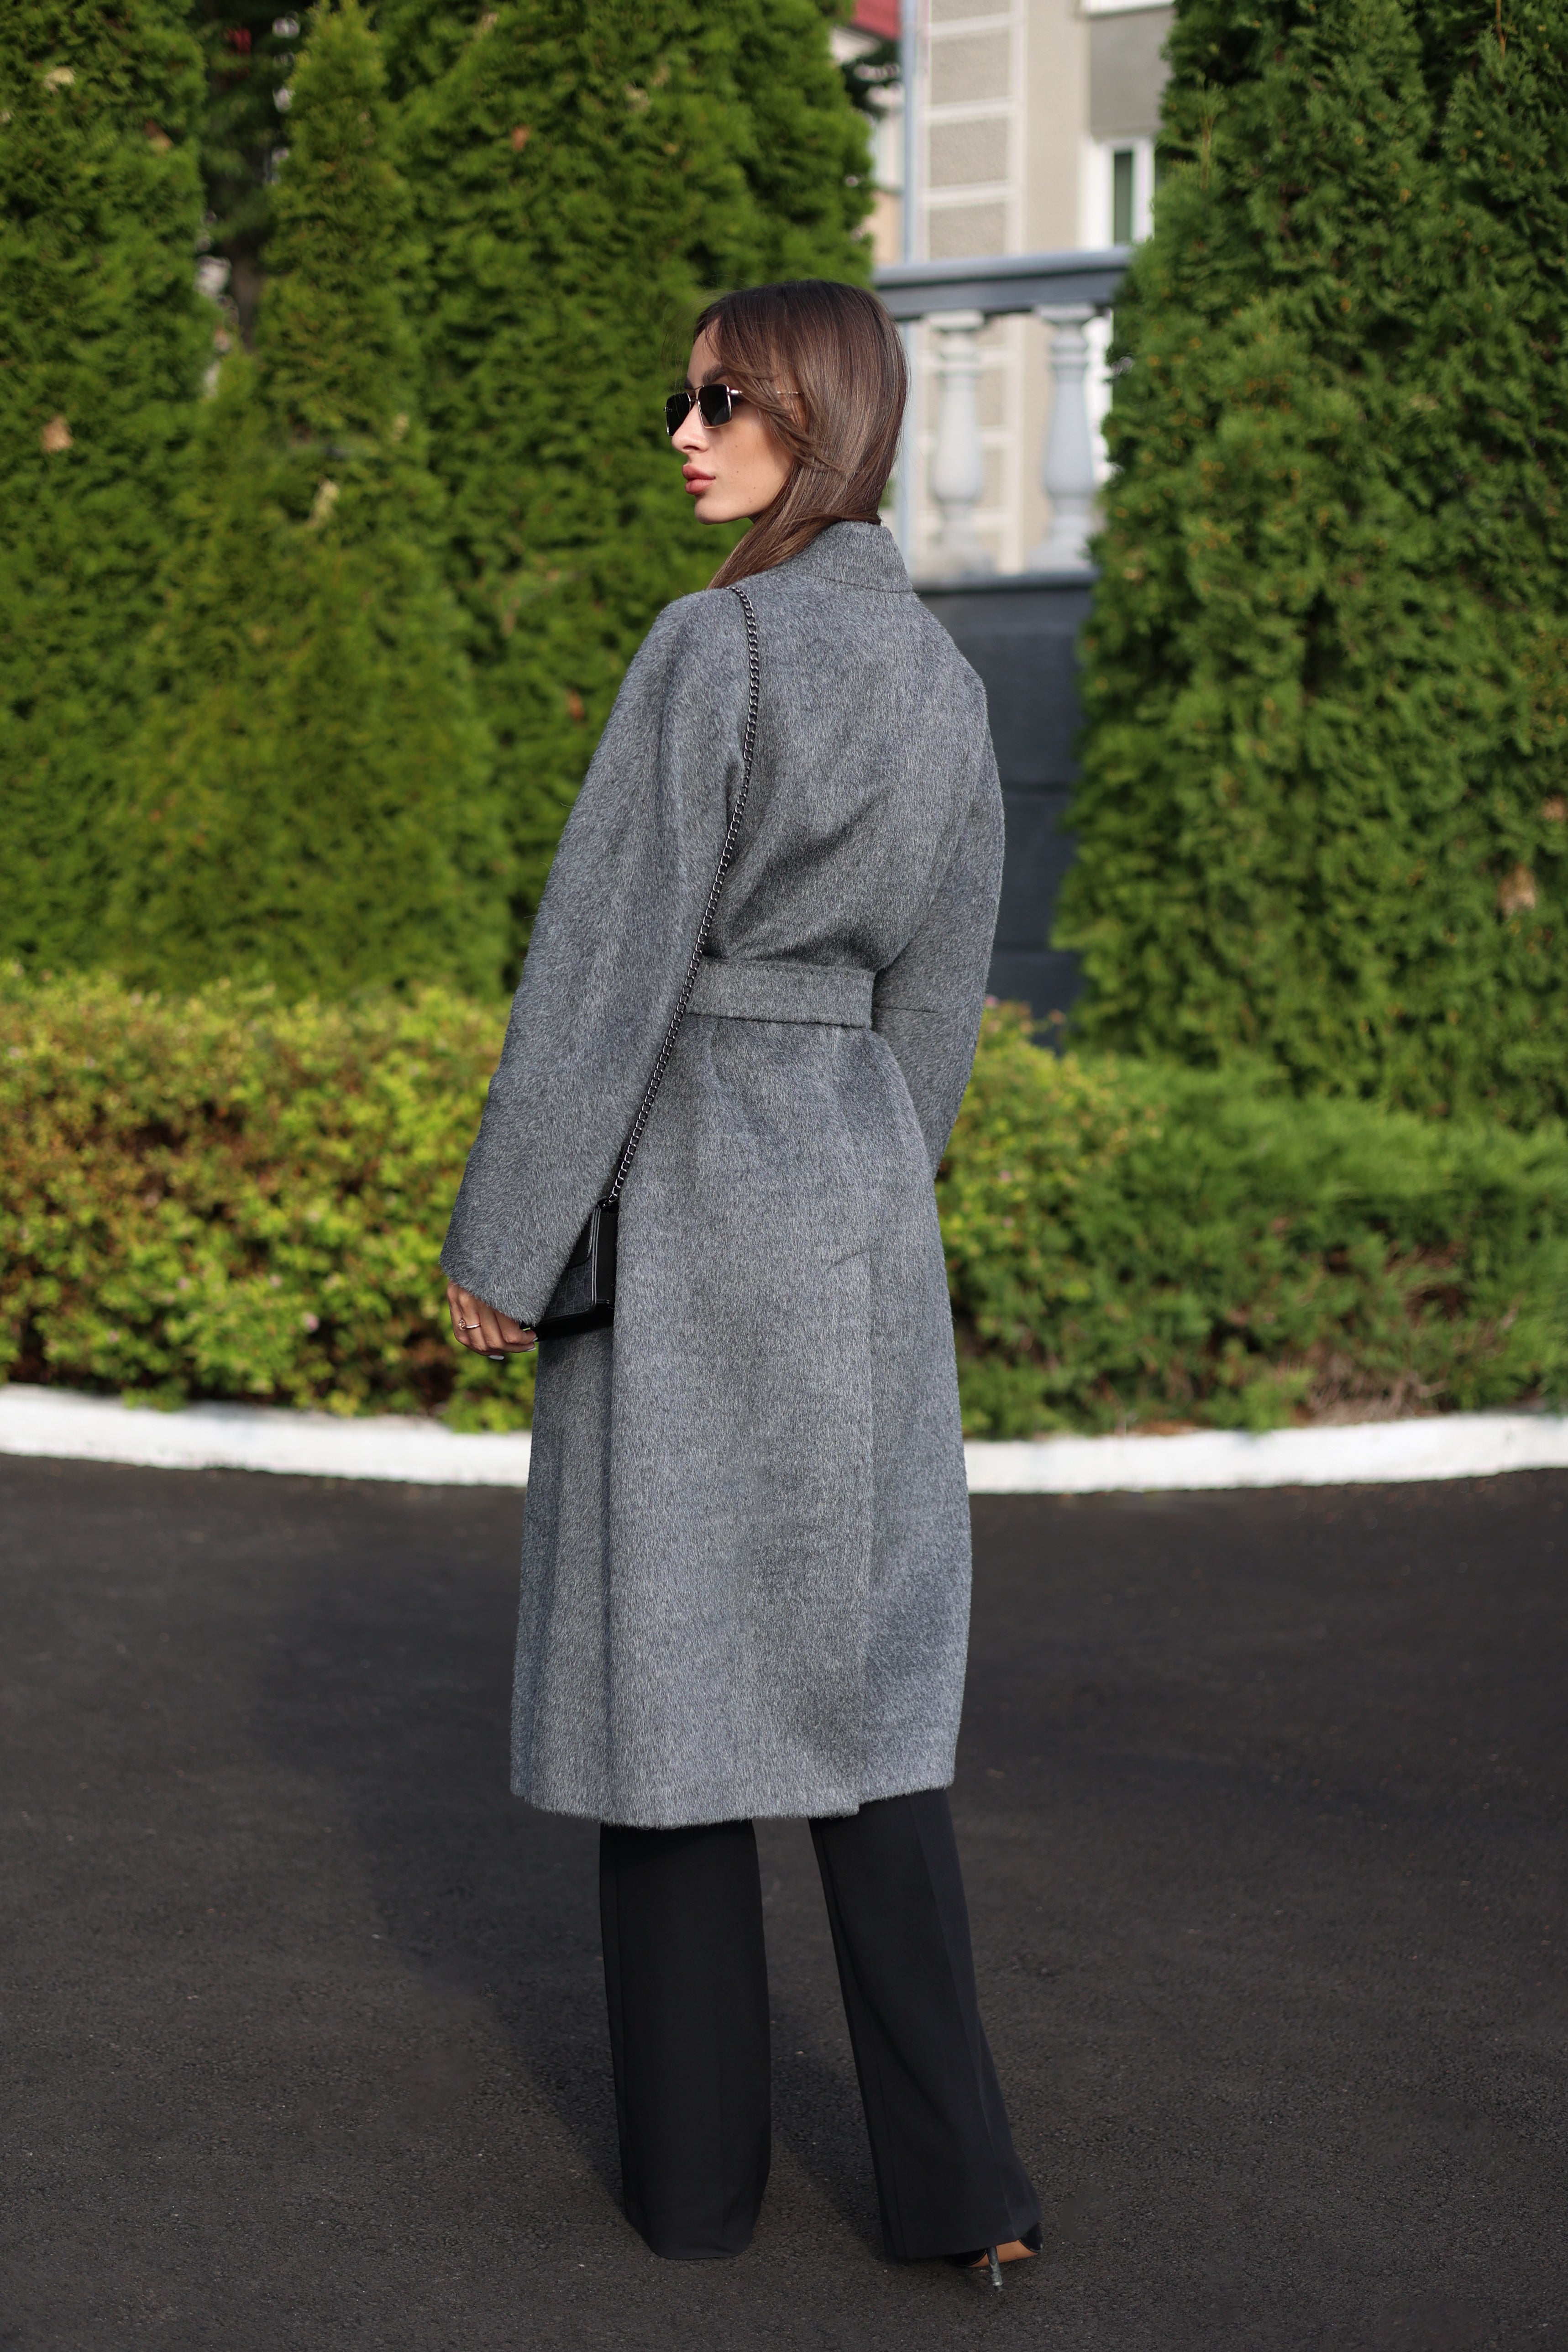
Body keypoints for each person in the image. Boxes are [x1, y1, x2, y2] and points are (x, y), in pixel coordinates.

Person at [441, 279, 1039, 2285]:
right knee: (866, 1700)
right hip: (858, 1190)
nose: (682, 430)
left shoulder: (715, 649)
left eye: (722, 399)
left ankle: (698, 2192)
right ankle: (962, 2193)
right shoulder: (946, 687)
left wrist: (505, 1242)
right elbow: (939, 1003)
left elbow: (604, 971)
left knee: (672, 1679)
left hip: (688, 1174)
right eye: (680, 396)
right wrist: (874, 1179)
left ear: (820, 419)